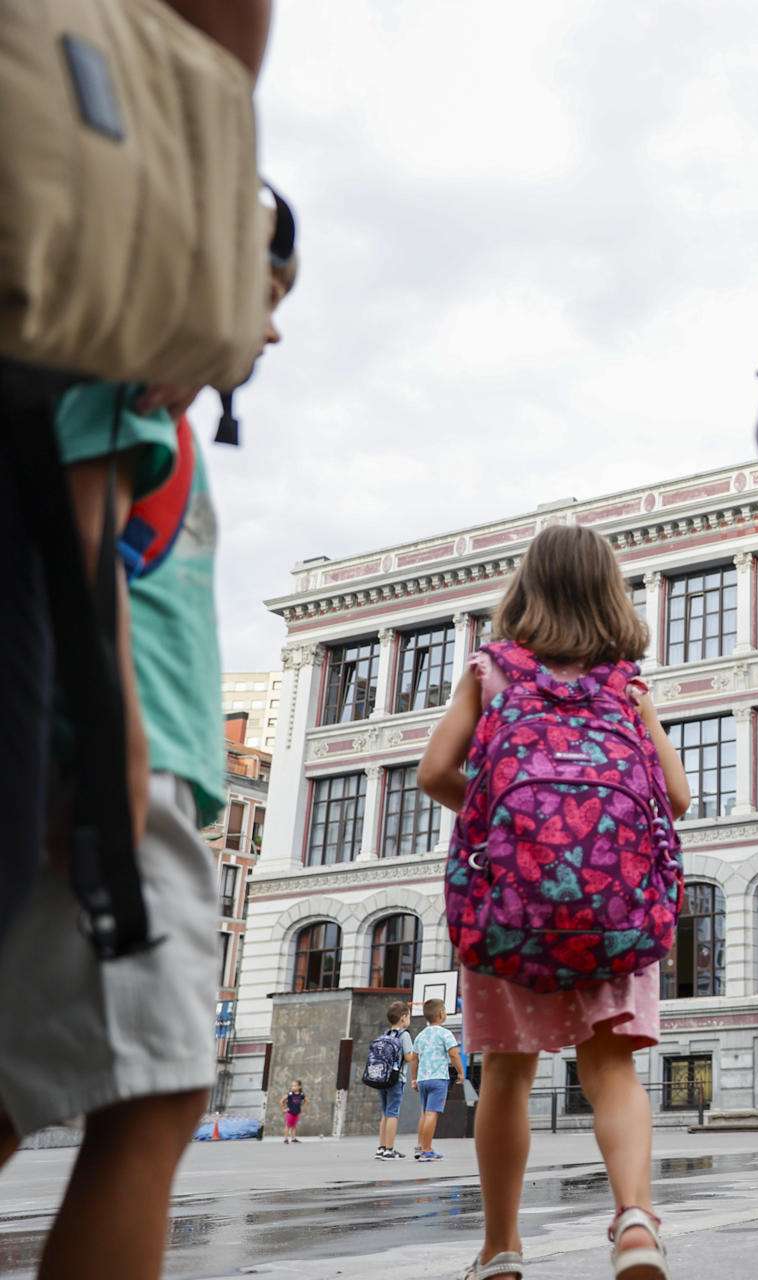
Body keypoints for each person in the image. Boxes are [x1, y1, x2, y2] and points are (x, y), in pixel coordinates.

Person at [0, 180, 297, 1280]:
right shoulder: (129, 375)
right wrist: (119, 738)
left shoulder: (142, 392)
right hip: (136, 773)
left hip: (116, 759)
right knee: (162, 1085)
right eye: (264, 292)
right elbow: (88, 548)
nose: (271, 326)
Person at [417, 524, 691, 1280]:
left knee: (507, 1072)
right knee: (612, 1072)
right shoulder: (624, 685)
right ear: (611, 592)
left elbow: (434, 772)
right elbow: (675, 795)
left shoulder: (492, 670)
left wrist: (501, 816)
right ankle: (634, 1218)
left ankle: (501, 1248)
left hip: (511, 909)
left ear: (526, 589)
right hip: (614, 909)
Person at [413, 998, 463, 1160]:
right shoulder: (445, 1034)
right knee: (432, 1113)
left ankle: (420, 1146)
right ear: (441, 1014)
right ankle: (427, 1150)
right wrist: (460, 1072)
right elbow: (454, 1054)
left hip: (422, 1079)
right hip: (438, 1078)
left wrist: (414, 1078)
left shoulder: (421, 1035)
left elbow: (414, 1058)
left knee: (424, 1113)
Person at [374, 1000, 417, 1160]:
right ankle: (389, 1149)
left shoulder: (386, 1034)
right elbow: (408, 1057)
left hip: (382, 1078)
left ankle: (381, 1147)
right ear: (403, 1017)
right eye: (409, 1016)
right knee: (393, 1113)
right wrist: (416, 1053)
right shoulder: (404, 1035)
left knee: (385, 1113)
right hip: (396, 1079)